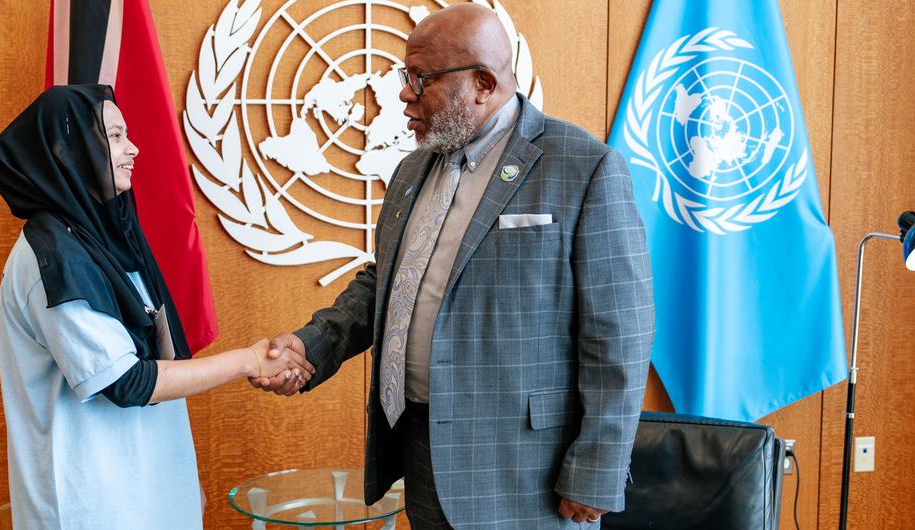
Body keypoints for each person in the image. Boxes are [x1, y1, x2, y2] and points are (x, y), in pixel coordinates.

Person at [250, 5, 655, 528]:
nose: (403, 94)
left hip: (528, 474)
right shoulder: (412, 169)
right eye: (404, 77)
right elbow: (388, 281)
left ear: (483, 83)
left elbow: (619, 334)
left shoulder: (582, 167)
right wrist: (312, 345)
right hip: (424, 455)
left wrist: (597, 469)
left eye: (420, 79)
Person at [0, 84, 314, 529]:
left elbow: (155, 357)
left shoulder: (107, 238)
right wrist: (249, 360)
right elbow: (126, 382)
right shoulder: (53, 254)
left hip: (150, 492)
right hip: (94, 507)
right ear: (69, 150)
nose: (134, 148)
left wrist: (178, 477)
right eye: (117, 136)